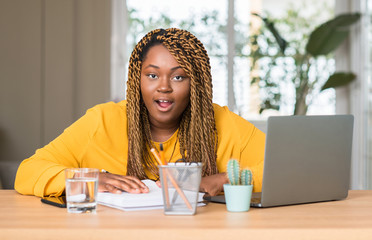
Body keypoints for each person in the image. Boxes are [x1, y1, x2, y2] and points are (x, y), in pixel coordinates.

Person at [14, 28, 265, 198]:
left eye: (178, 77)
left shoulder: (223, 124)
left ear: (196, 85)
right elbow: (28, 171)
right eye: (152, 75)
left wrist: (222, 180)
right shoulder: (101, 121)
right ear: (138, 79)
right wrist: (89, 179)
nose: (164, 86)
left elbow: (292, 168)